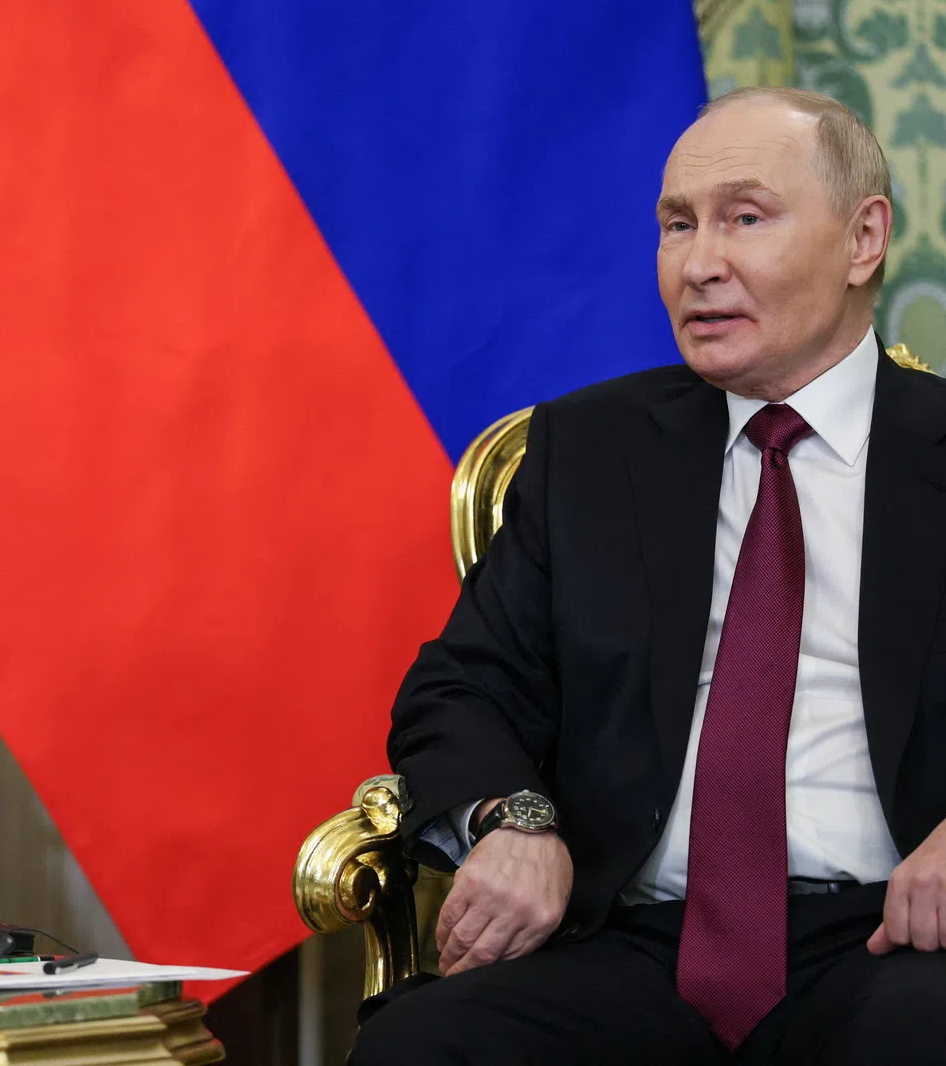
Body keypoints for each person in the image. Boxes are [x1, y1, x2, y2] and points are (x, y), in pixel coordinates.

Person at [350, 86, 946, 1065]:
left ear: (862, 239)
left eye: (745, 219)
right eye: (677, 226)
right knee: (426, 1045)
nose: (700, 264)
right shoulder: (591, 450)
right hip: (631, 941)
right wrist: (517, 818)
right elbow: (461, 688)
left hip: (894, 941)